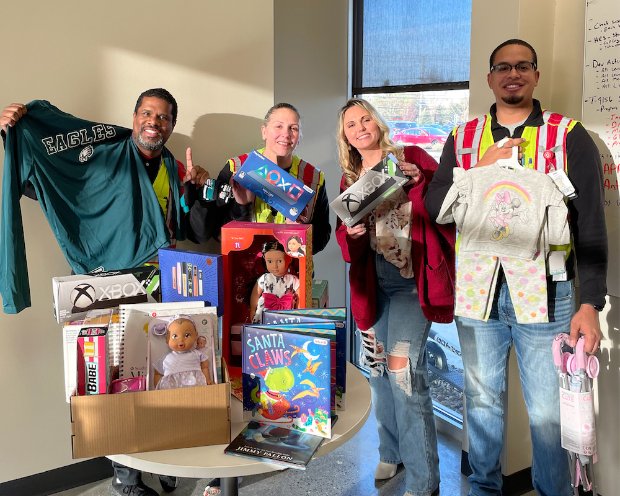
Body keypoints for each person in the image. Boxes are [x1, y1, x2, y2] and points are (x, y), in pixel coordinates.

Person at [0, 88, 210, 495]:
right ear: (133, 118)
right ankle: (126, 478)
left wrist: (194, 189)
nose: (155, 122)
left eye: (164, 117)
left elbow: (181, 229)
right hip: (103, 285)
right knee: (115, 380)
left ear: (171, 126)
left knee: (161, 373)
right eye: (147, 113)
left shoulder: (169, 163)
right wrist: (14, 133)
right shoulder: (101, 153)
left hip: (158, 283)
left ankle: (166, 460)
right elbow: (46, 181)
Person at [425, 39, 607, 496]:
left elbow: (590, 225)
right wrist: (476, 170)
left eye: (523, 65)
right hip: (478, 293)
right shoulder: (463, 138)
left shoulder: (568, 135)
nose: (513, 74)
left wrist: (590, 302)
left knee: (548, 412)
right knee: (482, 404)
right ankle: (482, 489)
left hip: (549, 292)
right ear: (490, 78)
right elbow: (434, 209)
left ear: (536, 75)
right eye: (503, 67)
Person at [335, 98, 455, 496]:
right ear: (346, 137)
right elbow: (347, 243)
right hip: (375, 283)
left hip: (412, 281)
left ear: (377, 121)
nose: (360, 127)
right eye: (351, 125)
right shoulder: (349, 177)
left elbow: (445, 209)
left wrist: (420, 181)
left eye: (365, 118)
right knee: (379, 372)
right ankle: (392, 451)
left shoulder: (411, 157)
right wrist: (349, 235)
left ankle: (424, 483)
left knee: (405, 375)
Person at [190, 102, 331, 254]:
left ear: (299, 137)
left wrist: (298, 231)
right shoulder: (236, 168)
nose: (286, 134)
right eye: (279, 126)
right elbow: (217, 232)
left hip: (293, 272)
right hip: (243, 267)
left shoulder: (314, 178)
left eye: (293, 128)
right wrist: (242, 207)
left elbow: (322, 236)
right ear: (264, 132)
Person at [153, 315, 213, 389]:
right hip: (171, 389)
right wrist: (157, 386)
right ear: (167, 339)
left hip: (195, 386)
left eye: (187, 335)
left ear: (196, 336)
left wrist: (208, 379)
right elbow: (157, 372)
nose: (181, 340)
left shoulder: (196, 354)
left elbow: (205, 366)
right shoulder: (166, 358)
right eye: (175, 336)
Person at [249, 240, 300, 323]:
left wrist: (299, 311)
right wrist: (252, 309)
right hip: (264, 312)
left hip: (286, 313)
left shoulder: (293, 279)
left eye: (279, 261)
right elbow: (255, 294)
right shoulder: (264, 278)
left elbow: (299, 296)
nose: (274, 266)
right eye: (269, 261)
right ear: (265, 260)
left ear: (289, 259)